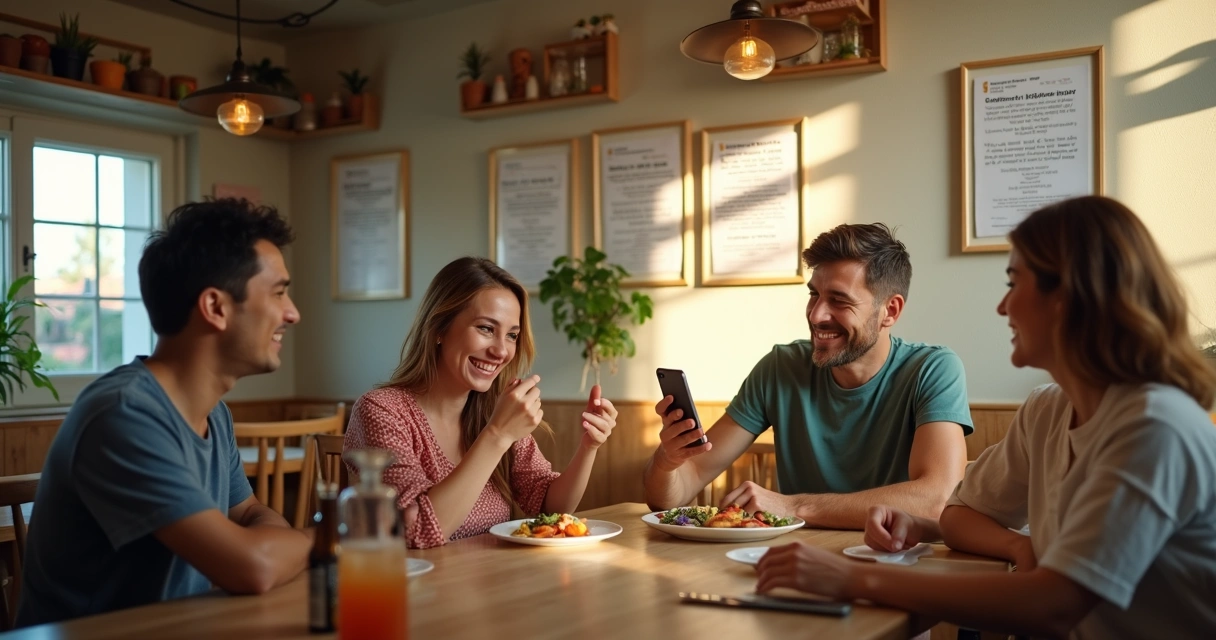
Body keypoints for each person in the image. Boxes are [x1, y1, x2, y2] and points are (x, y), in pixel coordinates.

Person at [754, 196, 1216, 639]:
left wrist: (853, 578)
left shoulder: (1156, 427)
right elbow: (960, 515)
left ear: (1072, 298)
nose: (1002, 306)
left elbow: (1055, 605)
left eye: (1014, 283)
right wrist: (929, 527)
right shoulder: (1047, 409)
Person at [18, 199, 311, 626]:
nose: (293, 313)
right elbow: (254, 567)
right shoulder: (123, 415)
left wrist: (267, 549)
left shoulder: (215, 414)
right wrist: (332, 538)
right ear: (215, 308)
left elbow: (249, 515)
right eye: (279, 292)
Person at [643, 223, 972, 529]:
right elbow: (679, 489)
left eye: (839, 300)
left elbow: (937, 499)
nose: (816, 315)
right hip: (795, 559)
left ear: (890, 311)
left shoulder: (932, 369)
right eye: (814, 294)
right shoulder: (780, 368)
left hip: (892, 560)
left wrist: (793, 506)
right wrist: (667, 461)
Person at [344, 257, 618, 548]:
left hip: (490, 574)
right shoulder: (382, 410)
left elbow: (549, 507)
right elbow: (417, 531)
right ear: (439, 328)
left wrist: (588, 447)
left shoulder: (494, 410)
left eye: (511, 335)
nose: (501, 351)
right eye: (486, 328)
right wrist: (497, 435)